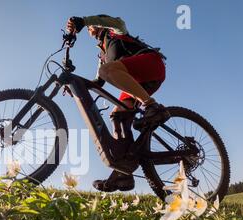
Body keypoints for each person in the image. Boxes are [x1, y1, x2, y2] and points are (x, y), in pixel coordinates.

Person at [66, 15, 170, 192]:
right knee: (117, 115)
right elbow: (98, 82)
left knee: (107, 70)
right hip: (138, 83)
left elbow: (116, 22)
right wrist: (73, 86)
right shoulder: (103, 55)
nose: (90, 30)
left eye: (92, 26)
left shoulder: (115, 31)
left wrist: (83, 21)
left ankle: (152, 106)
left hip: (151, 64)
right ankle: (123, 172)